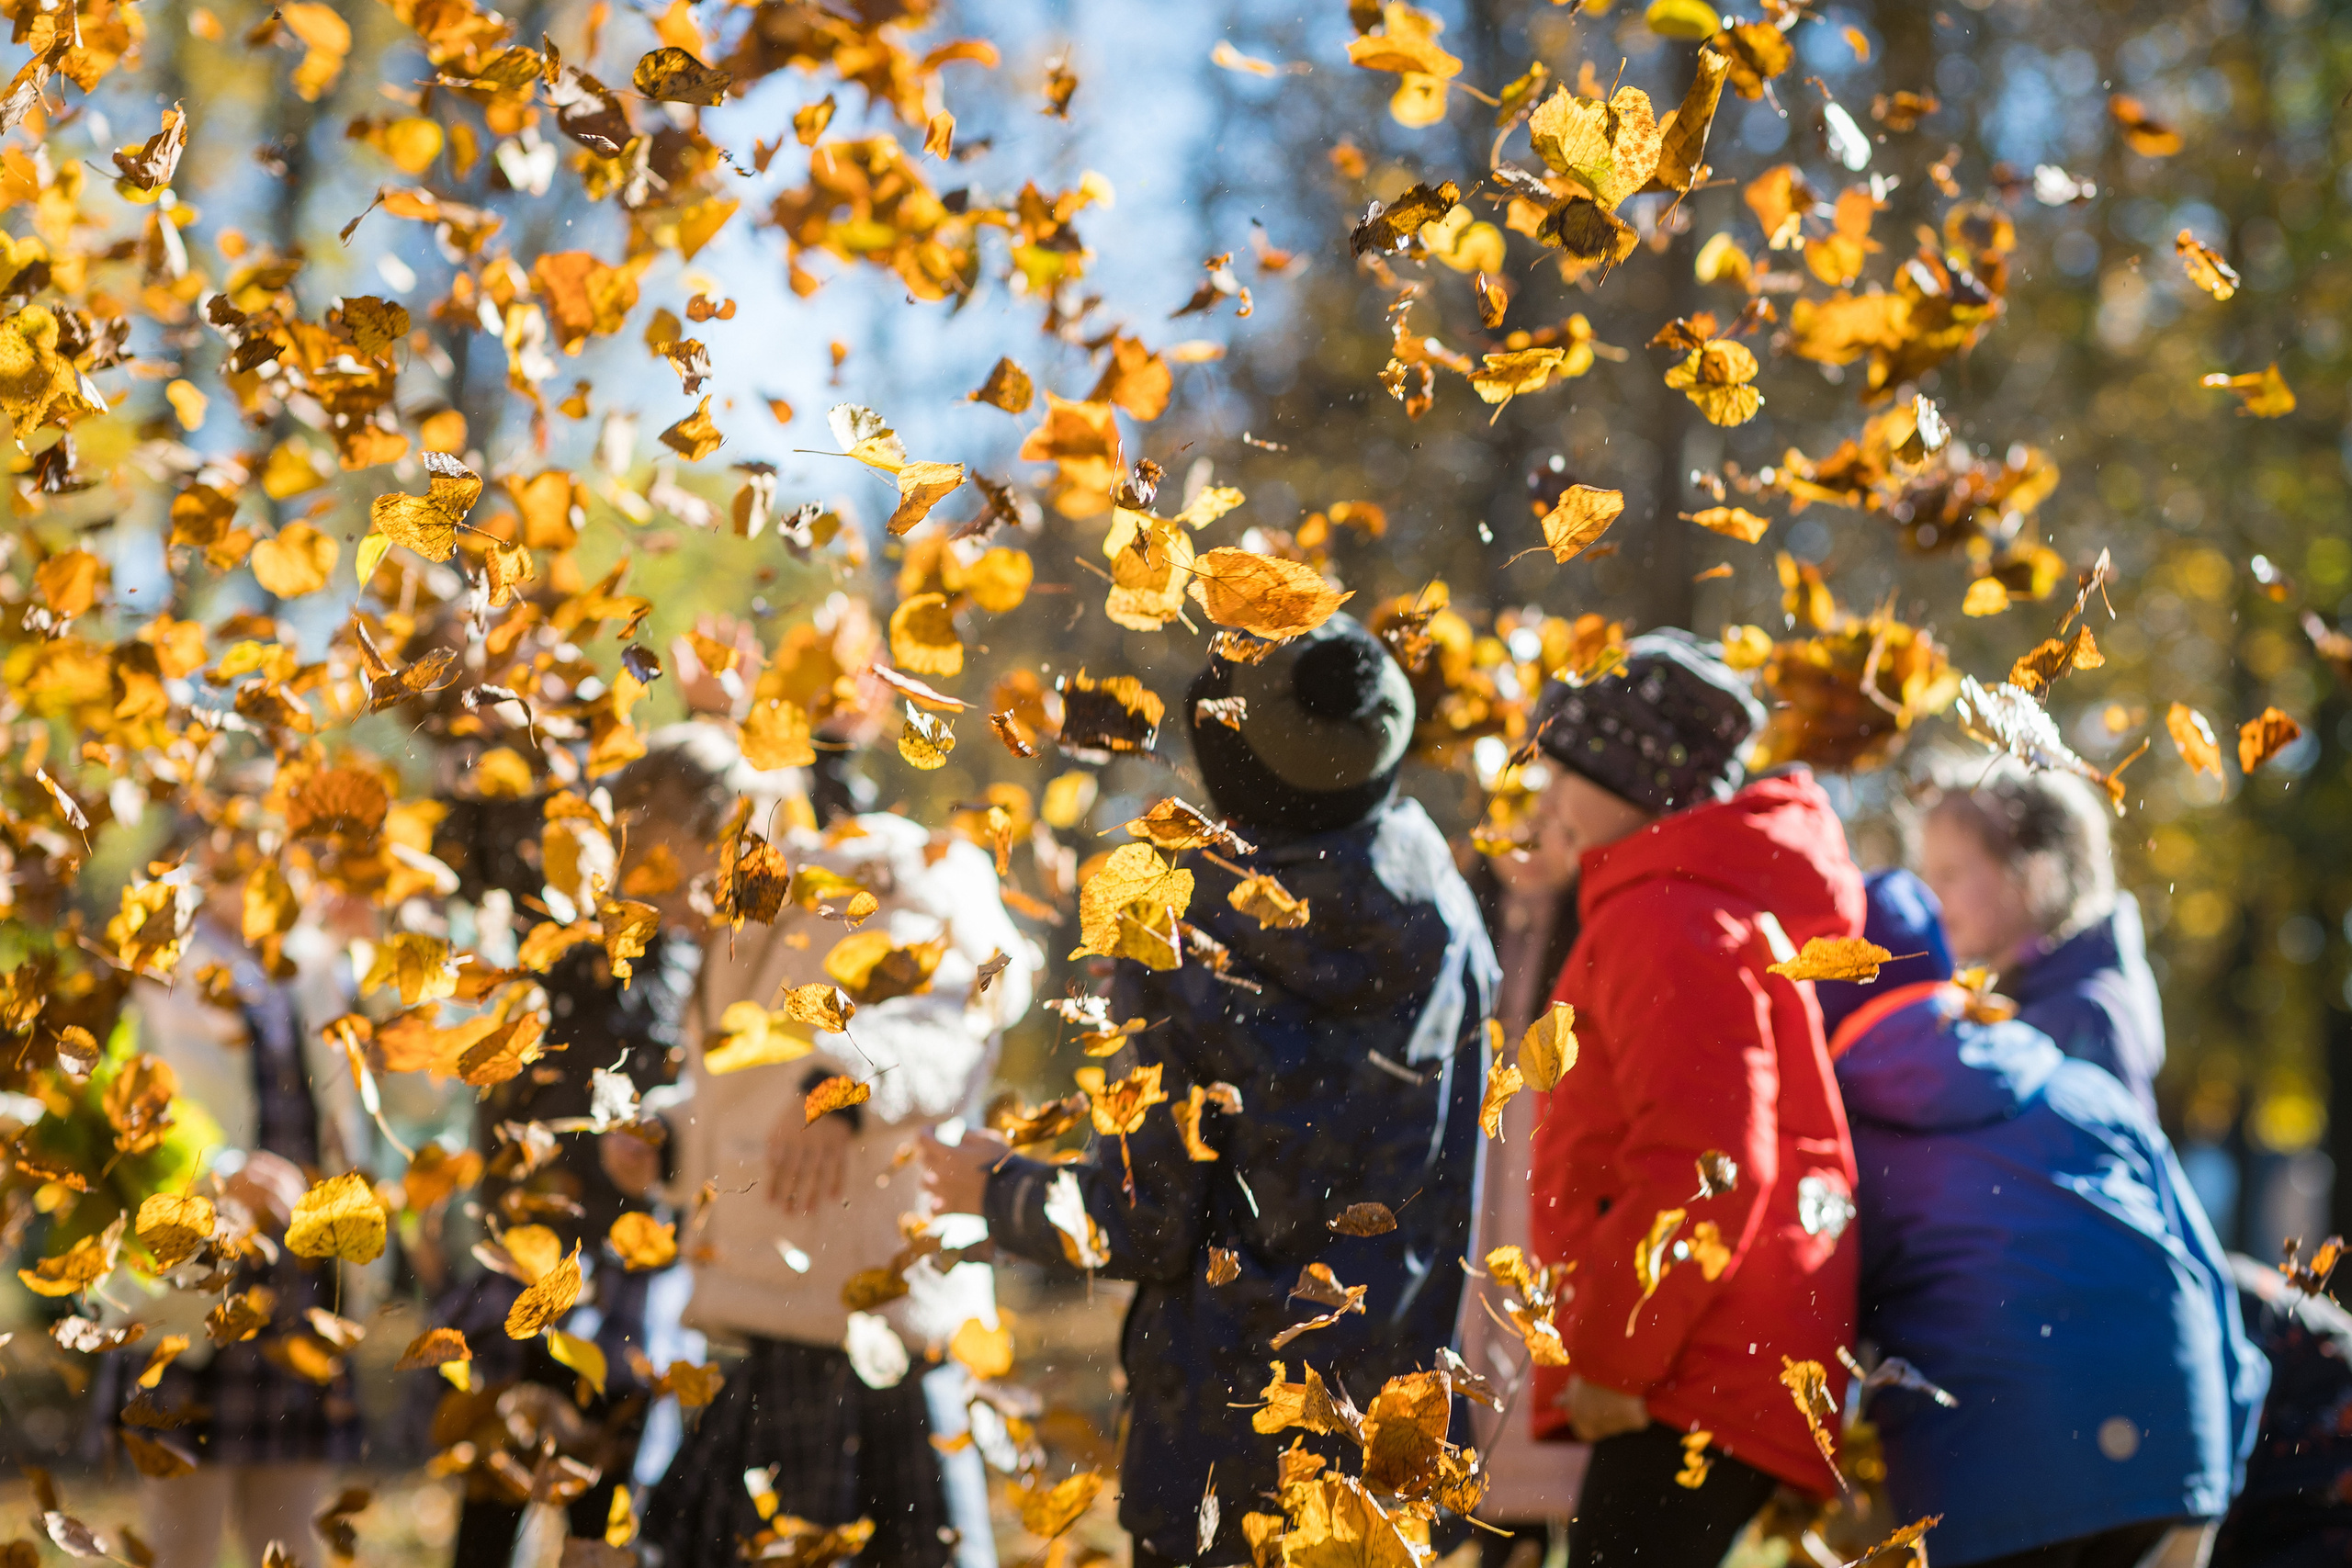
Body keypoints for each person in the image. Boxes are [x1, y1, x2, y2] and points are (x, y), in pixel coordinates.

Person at [922, 615, 1498, 1568]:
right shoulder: (1446, 908)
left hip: (1221, 1448)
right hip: (1393, 1434)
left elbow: (1138, 1221)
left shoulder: (1187, 941)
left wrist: (999, 1189)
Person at [625, 724, 1035, 1568]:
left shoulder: (867, 864)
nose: (654, 902)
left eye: (661, 868)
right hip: (773, 1320)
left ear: (725, 826)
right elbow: (755, 1092)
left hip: (874, 1332)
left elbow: (966, 1002)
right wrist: (669, 1138)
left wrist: (846, 1081)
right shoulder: (735, 927)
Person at [1521, 632, 1866, 1566]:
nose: (1545, 794)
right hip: (1701, 1355)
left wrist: (1615, 1352)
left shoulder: (1667, 920)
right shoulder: (1674, 904)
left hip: (1687, 1368)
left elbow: (1704, 1163)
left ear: (1636, 780)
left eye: (1567, 767)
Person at [1820, 869, 2267, 1568]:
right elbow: (2205, 1270)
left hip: (2002, 1466)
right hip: (2180, 1435)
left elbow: (1825, 1322)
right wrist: (2222, 1451)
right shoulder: (2079, 1082)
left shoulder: (1845, 1135)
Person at [95, 832, 379, 1568]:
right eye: (241, 843)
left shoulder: (316, 964)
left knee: (289, 1545)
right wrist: (219, 1168)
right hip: (193, 1279)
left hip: (300, 1284)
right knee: (182, 1542)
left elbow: (401, 1096)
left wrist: (384, 959)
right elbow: (117, 1105)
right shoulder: (156, 965)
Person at [1917, 764, 2165, 1113]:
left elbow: (2114, 1154)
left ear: (2034, 877)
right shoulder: (1997, 999)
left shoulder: (2086, 1014)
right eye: (1925, 875)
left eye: (1949, 874)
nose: (1929, 894)